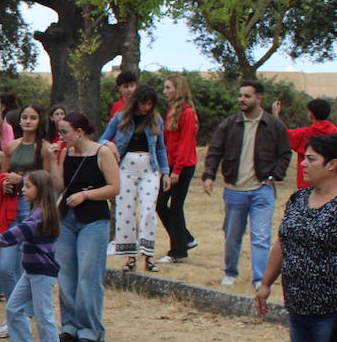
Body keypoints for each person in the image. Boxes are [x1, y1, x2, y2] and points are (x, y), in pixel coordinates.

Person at [255, 135, 337, 342]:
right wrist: (265, 283)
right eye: (303, 158)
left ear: (332, 164)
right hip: (299, 304)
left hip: (331, 308)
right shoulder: (299, 198)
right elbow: (281, 243)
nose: (302, 164)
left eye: (311, 159)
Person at [202, 80, 291, 288]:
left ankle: (259, 279)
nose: (242, 99)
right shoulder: (229, 124)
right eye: (240, 95)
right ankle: (230, 272)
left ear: (259, 98)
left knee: (261, 236)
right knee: (232, 235)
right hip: (234, 190)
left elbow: (285, 154)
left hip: (262, 190)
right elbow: (215, 151)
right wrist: (209, 176)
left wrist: (274, 176)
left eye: (247, 96)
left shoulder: (274, 125)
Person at [0, 169, 65, 342]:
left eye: (28, 186)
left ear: (40, 189)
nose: (23, 190)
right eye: (24, 185)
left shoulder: (39, 216)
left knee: (44, 316)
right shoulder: (36, 212)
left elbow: (16, 234)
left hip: (42, 273)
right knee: (13, 308)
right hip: (31, 271)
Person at [52, 111, 120, 342]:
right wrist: (52, 161)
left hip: (94, 220)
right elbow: (60, 186)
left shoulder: (102, 153)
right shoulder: (65, 153)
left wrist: (86, 195)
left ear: (79, 132)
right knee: (66, 274)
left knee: (88, 276)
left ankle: (91, 330)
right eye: (59, 132)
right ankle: (70, 327)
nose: (61, 136)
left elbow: (114, 187)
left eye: (64, 132)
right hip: (67, 219)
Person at [0, 103, 56, 335]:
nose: (28, 121)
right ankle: (15, 315)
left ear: (40, 121)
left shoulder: (46, 149)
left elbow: (47, 182)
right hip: (11, 209)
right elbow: (4, 176)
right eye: (25, 117)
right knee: (5, 267)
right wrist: (6, 182)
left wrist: (22, 179)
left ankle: (22, 318)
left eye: (33, 117)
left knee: (25, 267)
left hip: (33, 212)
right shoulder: (11, 146)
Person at [101, 84, 171, 271]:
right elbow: (102, 139)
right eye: (143, 103)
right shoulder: (121, 118)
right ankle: (130, 256)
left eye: (149, 104)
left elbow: (161, 147)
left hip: (149, 167)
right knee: (126, 211)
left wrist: (165, 171)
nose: (145, 107)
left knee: (148, 210)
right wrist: (111, 145)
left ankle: (148, 255)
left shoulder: (156, 120)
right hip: (126, 167)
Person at [156, 75, 199, 263]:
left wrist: (177, 171)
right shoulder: (172, 110)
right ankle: (185, 239)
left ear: (177, 89)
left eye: (168, 87)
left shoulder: (187, 113)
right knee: (161, 205)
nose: (164, 91)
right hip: (171, 165)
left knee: (175, 207)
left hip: (183, 166)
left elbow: (185, 144)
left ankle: (178, 251)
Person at [286, 99, 336, 189]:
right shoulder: (334, 132)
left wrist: (276, 116)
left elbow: (282, 134)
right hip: (331, 185)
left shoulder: (304, 133)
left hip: (307, 185)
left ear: (311, 114)